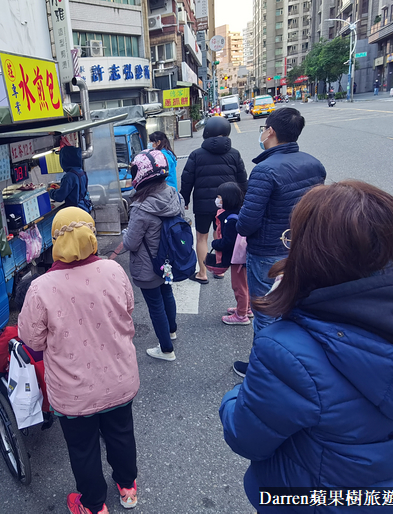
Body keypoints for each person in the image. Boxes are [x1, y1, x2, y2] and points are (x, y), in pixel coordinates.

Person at [219, 181, 393, 514]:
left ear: (310, 255)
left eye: (294, 241)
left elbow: (245, 437)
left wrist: (236, 394)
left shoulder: (287, 352)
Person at [18, 207, 139, 514]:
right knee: (121, 431)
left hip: (74, 391)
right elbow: (128, 308)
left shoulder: (41, 288)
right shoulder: (113, 271)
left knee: (83, 447)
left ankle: (94, 505)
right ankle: (127, 487)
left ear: (56, 240)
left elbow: (31, 341)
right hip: (119, 379)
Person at [235, 107, 325, 377]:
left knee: (265, 312)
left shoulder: (264, 170)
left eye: (263, 128)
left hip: (267, 254)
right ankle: (294, 363)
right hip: (301, 248)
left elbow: (247, 222)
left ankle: (263, 370)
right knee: (295, 306)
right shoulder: (313, 163)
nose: (262, 132)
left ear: (271, 131)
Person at [123, 150, 183, 361]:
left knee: (155, 305)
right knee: (167, 294)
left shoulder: (141, 207)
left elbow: (130, 242)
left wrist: (125, 233)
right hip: (168, 260)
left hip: (148, 266)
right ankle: (172, 331)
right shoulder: (173, 194)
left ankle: (166, 349)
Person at [180, 116, 248, 284]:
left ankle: (202, 273)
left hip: (203, 205)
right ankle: (220, 270)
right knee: (221, 234)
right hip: (227, 205)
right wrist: (244, 200)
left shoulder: (196, 155)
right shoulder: (234, 154)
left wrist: (185, 199)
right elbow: (243, 180)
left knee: (202, 237)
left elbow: (187, 179)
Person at [204, 182, 250, 325]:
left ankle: (241, 315)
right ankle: (246, 308)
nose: (217, 200)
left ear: (227, 199)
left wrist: (214, 243)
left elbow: (228, 242)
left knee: (239, 286)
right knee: (245, 284)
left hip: (238, 258)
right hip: (243, 257)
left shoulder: (230, 220)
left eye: (219, 197)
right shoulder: (239, 212)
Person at [49, 145, 91, 213]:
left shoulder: (69, 177)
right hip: (84, 207)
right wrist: (60, 187)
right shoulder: (81, 172)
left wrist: (51, 191)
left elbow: (59, 197)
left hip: (75, 211)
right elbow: (76, 190)